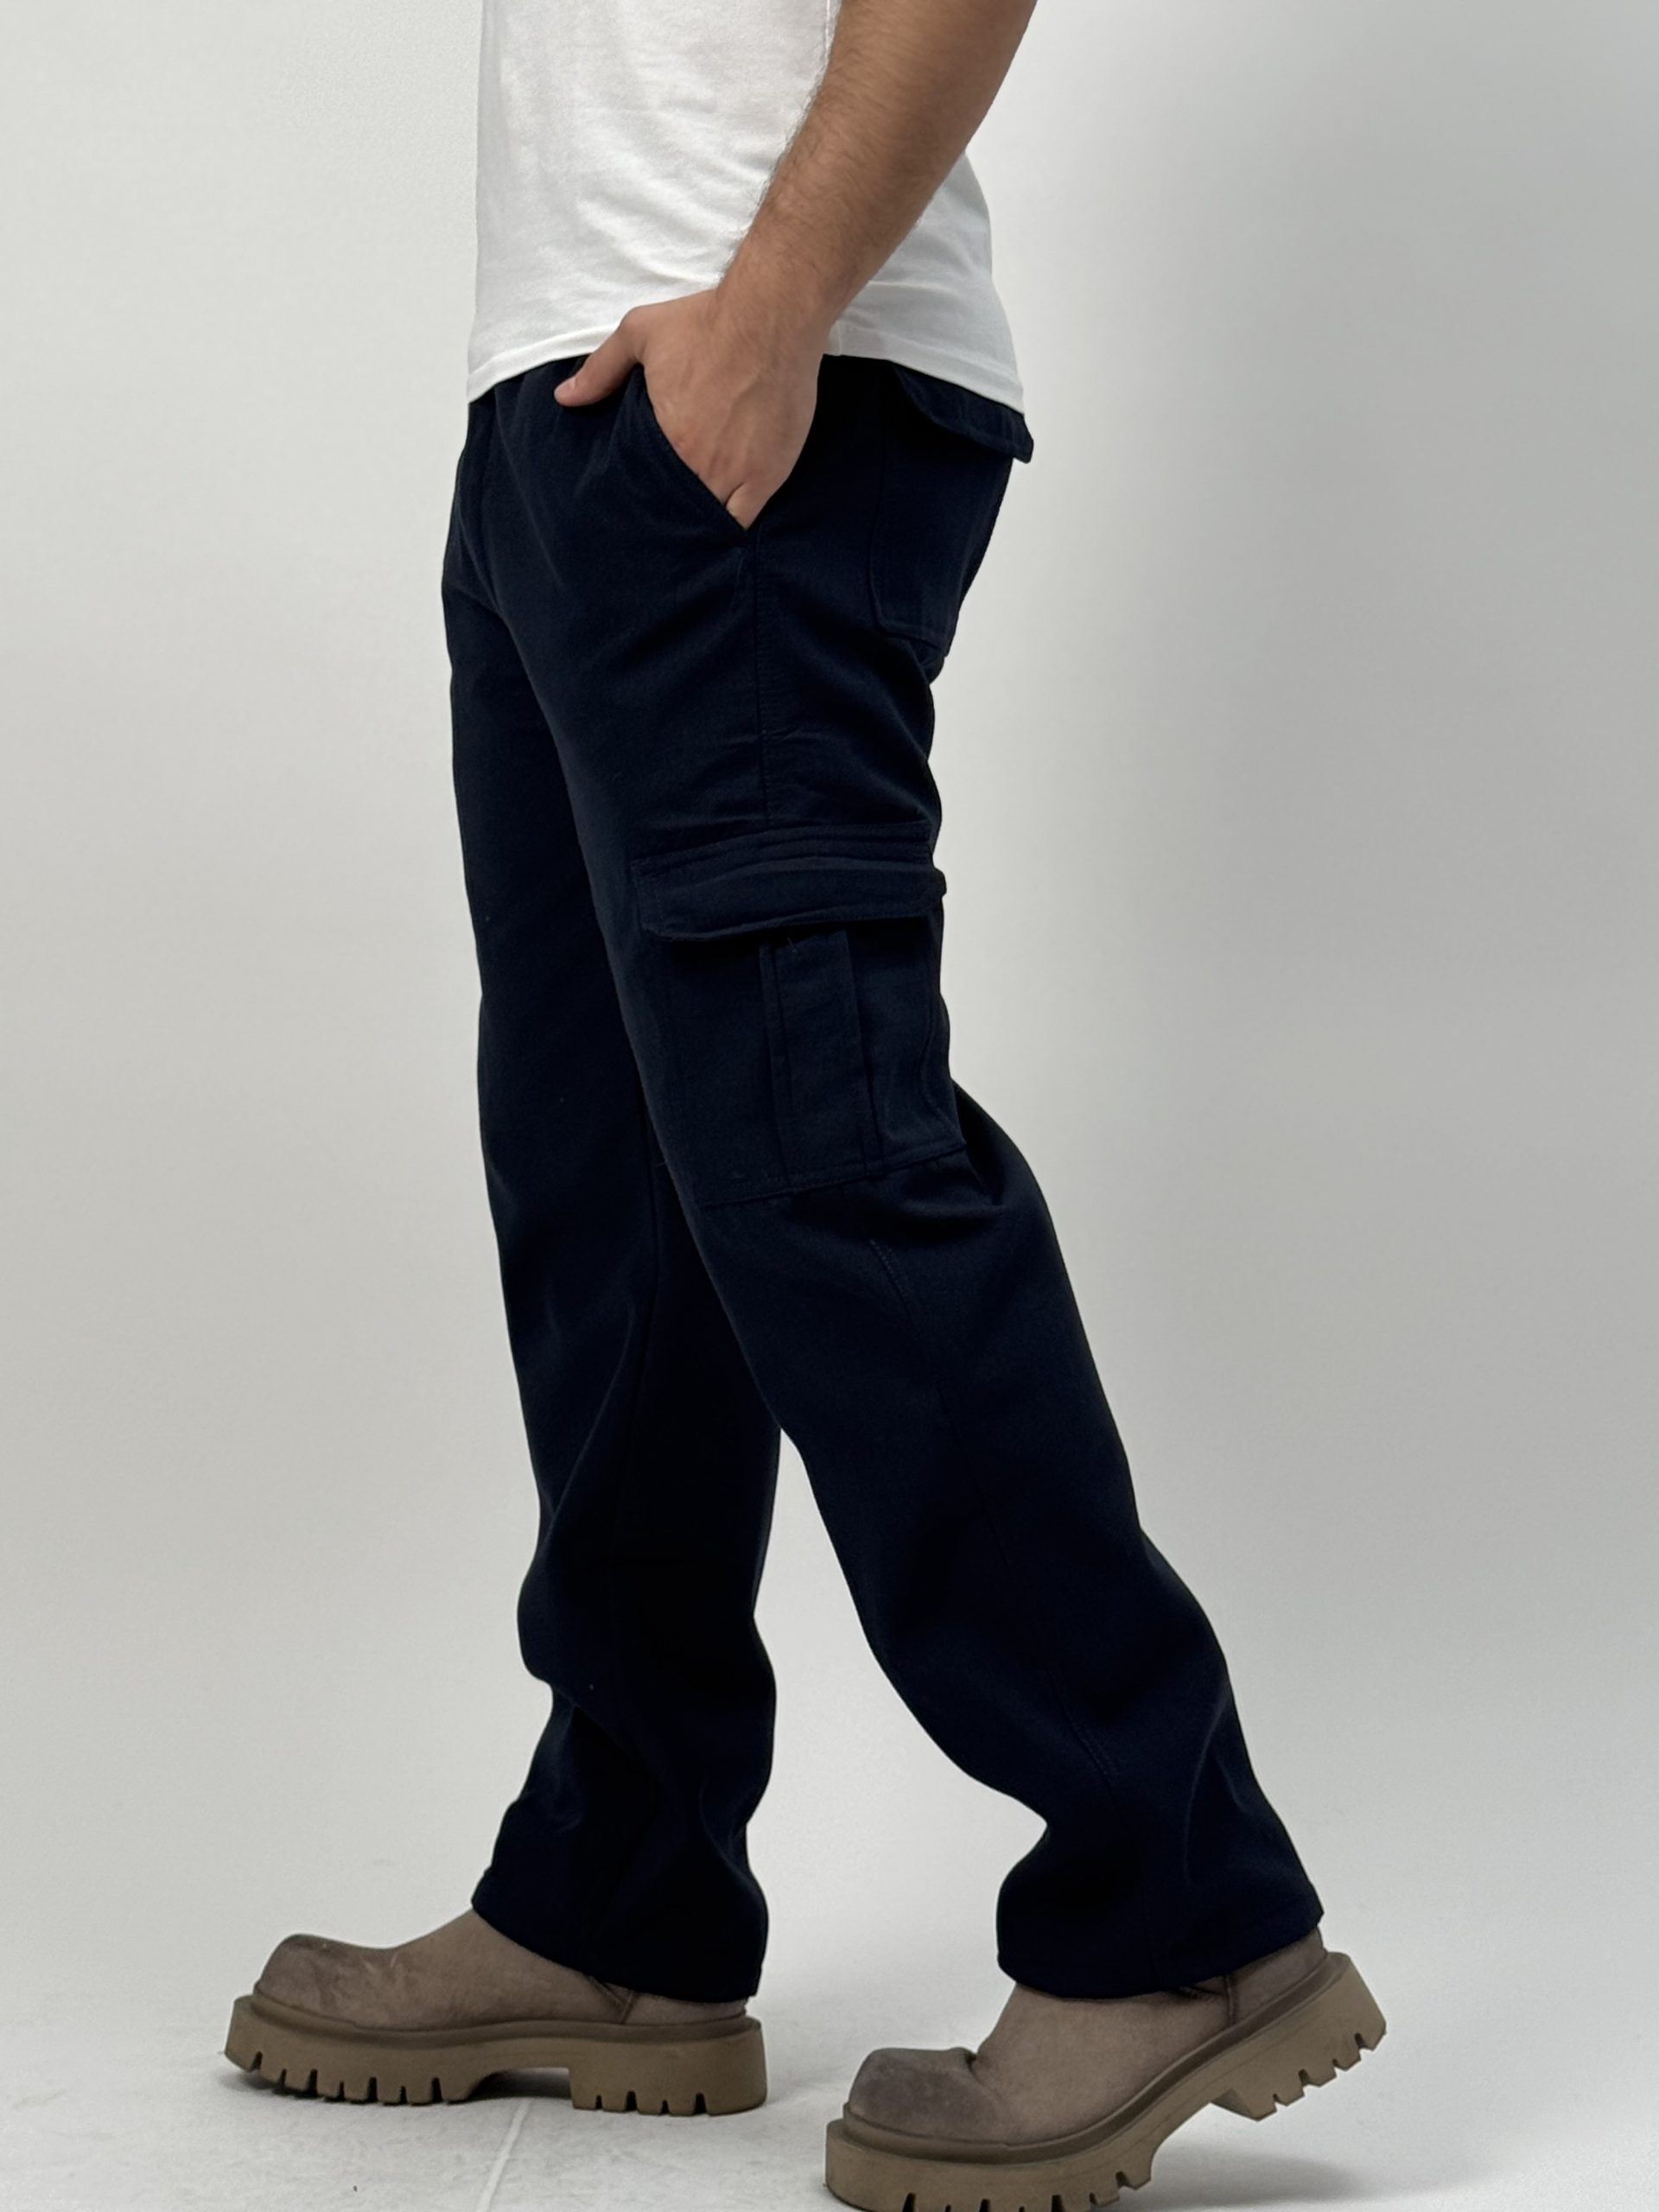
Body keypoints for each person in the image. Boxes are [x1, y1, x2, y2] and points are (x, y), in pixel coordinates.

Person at [224, 3, 1385, 2203]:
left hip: (757, 394)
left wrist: (770, 314)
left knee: (822, 1157)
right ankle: (619, 1889)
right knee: (615, 1189)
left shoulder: (762, 353)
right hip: (573, 409)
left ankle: (1175, 1902)